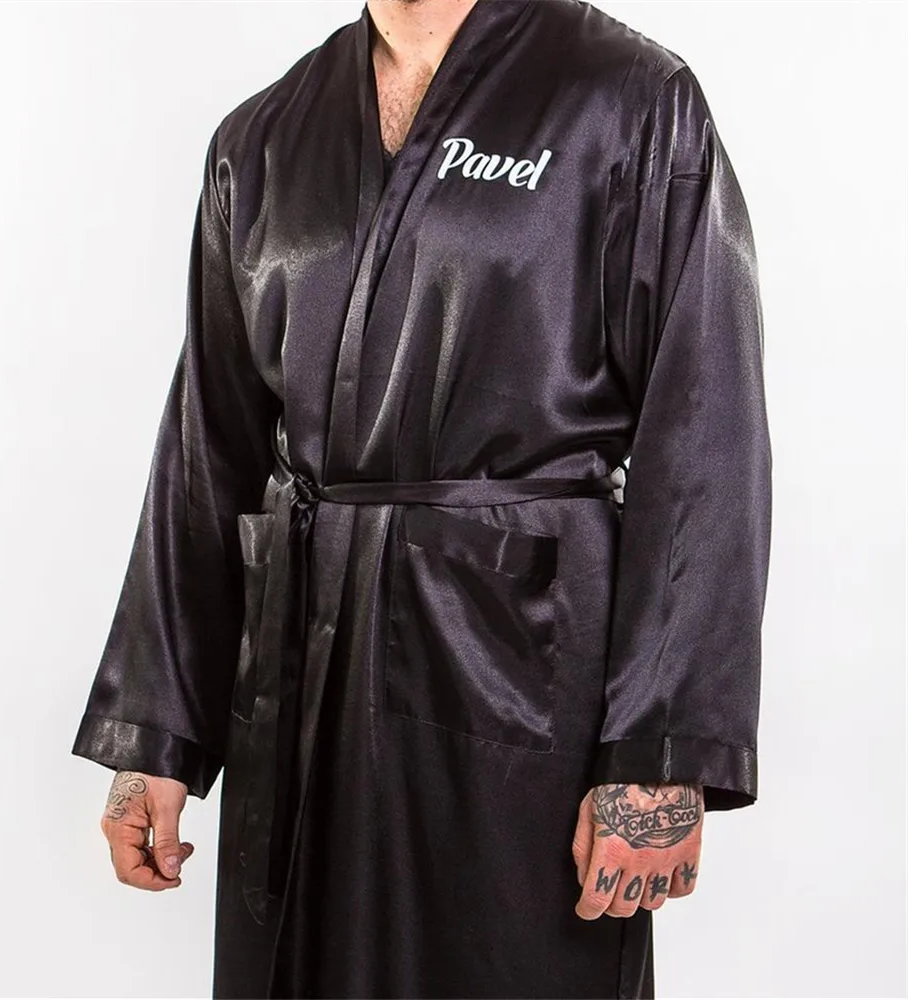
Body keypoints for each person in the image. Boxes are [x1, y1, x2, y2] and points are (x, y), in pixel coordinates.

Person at [70, 0, 772, 996]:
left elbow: (704, 424)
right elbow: (207, 444)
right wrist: (156, 735)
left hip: (519, 683)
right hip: (299, 685)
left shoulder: (627, 99)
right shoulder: (262, 136)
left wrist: (660, 754)